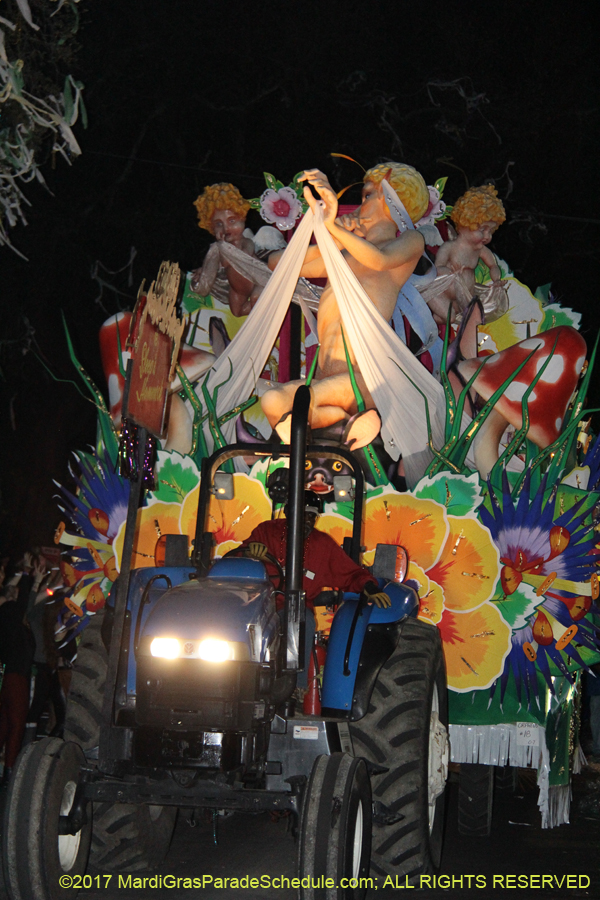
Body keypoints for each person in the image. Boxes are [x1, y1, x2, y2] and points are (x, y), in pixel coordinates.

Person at [260, 163, 428, 442]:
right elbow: (279, 264)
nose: (360, 204)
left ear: (394, 200)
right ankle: (346, 428)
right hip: (325, 377)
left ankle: (344, 429)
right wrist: (332, 239)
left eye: (368, 195)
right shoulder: (344, 254)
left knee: (302, 408)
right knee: (272, 401)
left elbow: (378, 259)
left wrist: (334, 229)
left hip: (366, 377)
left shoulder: (411, 241)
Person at [239, 490, 390, 611]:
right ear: (287, 512)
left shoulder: (323, 544)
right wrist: (248, 553)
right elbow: (234, 561)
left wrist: (370, 587)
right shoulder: (266, 531)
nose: (306, 520)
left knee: (302, 628)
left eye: (311, 516)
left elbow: (351, 574)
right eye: (301, 514)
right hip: (260, 606)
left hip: (299, 609)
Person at [191, 183, 285, 317]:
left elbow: (249, 261)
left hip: (259, 282)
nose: (226, 228)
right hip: (238, 290)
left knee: (255, 299)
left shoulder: (246, 242)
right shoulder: (218, 248)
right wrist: (202, 273)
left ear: (242, 219)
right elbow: (210, 275)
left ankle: (270, 313)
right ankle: (267, 309)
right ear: (211, 227)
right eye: (219, 224)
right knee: (237, 312)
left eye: (232, 221)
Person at [423, 184, 507, 325]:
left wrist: (497, 280)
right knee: (449, 317)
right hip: (440, 294)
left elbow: (493, 266)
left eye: (490, 231)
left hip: (461, 300)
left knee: (466, 316)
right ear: (465, 224)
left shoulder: (480, 250)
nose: (487, 236)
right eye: (482, 229)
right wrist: (451, 273)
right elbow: (436, 270)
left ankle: (438, 321)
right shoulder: (451, 247)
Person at [0, 554, 35, 785]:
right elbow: (23, 600)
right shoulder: (9, 612)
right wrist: (27, 574)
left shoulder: (8, 613)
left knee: (4, 721)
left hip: (9, 672)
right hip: (14, 674)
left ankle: (7, 768)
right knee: (16, 722)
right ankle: (10, 771)